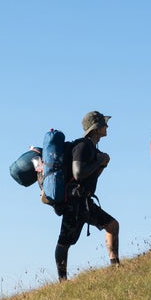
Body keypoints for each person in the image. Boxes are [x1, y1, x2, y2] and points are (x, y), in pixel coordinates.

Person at [55, 112, 119, 280]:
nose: (107, 127)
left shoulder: (91, 147)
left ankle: (116, 267)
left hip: (84, 201)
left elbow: (89, 177)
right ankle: (62, 281)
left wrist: (102, 164)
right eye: (104, 124)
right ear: (96, 128)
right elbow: (78, 174)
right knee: (64, 242)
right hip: (74, 203)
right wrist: (99, 161)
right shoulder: (83, 145)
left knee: (112, 226)